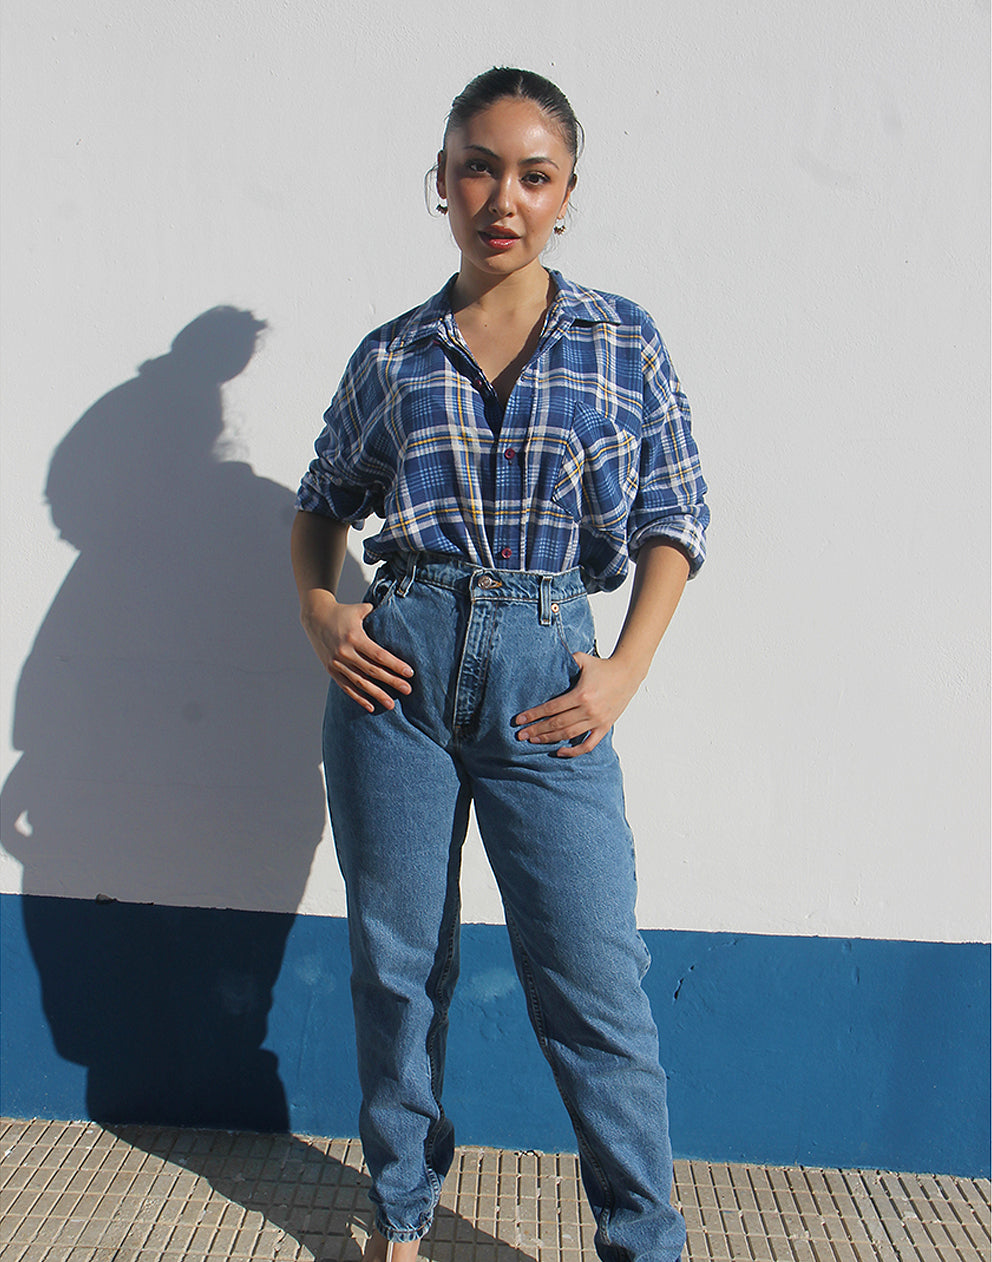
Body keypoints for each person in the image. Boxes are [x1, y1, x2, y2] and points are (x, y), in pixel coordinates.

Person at [291, 67, 708, 1262]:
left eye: (533, 173)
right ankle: (402, 1216)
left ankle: (641, 1238)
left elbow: (674, 520)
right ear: (440, 181)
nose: (502, 196)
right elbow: (321, 502)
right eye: (477, 165)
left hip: (546, 675)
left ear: (567, 191)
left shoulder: (621, 339)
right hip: (398, 671)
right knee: (397, 962)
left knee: (593, 977)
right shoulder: (393, 354)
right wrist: (325, 613)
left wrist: (622, 669)